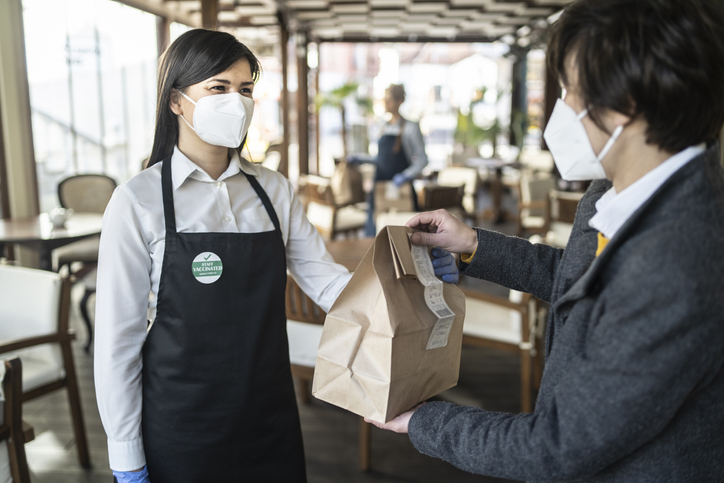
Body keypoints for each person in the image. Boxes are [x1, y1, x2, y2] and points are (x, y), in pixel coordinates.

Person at [367, 0, 724, 481]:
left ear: (627, 102)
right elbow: (578, 279)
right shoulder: (612, 189)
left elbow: (556, 446)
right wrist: (472, 243)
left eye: (573, 91)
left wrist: (423, 421)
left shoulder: (681, 258)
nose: (562, 111)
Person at [94, 29, 357, 483]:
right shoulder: (138, 202)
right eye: (218, 88)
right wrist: (126, 455)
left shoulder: (273, 190)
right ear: (177, 101)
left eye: (246, 89)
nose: (236, 102)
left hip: (269, 418)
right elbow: (118, 341)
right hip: (181, 425)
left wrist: (406, 279)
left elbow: (328, 283)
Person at [348, 84, 429, 236]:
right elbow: (380, 158)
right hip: (380, 187)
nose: (385, 103)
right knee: (375, 230)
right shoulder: (382, 126)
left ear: (400, 101)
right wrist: (361, 159)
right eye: (384, 99)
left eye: (389, 100)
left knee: (404, 232)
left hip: (401, 188)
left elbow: (423, 160)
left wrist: (406, 175)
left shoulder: (411, 128)